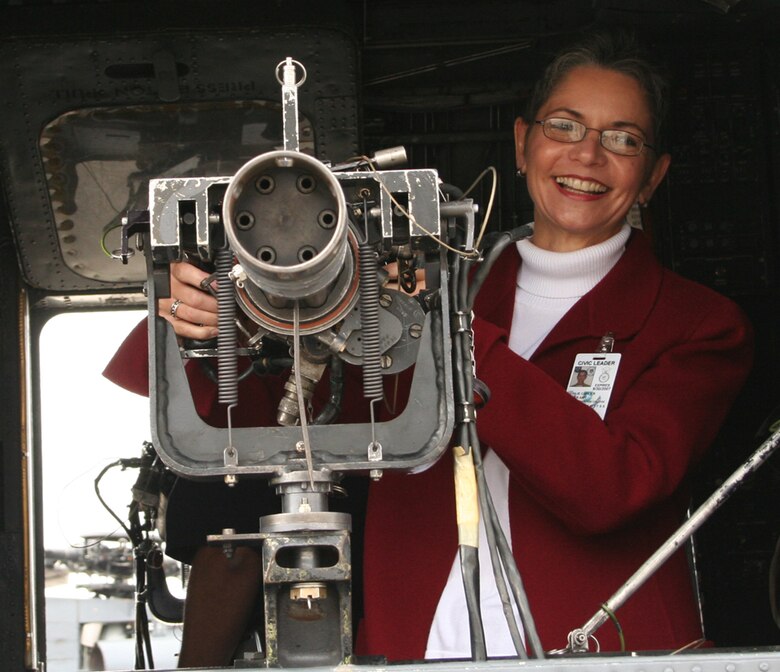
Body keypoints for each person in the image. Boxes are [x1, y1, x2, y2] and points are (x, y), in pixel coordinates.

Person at [105, 31, 753, 665]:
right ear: (524, 145)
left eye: (622, 138)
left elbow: (611, 489)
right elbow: (281, 421)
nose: (587, 155)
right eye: (566, 126)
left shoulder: (696, 326)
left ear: (653, 176)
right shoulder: (426, 284)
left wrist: (444, 323)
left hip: (604, 653)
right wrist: (221, 317)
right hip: (412, 650)